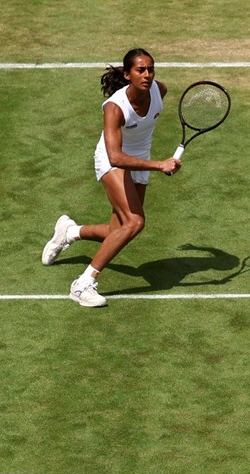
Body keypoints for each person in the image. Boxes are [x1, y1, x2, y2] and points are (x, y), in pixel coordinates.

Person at [41, 48, 182, 307]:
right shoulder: (115, 108)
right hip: (111, 158)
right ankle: (83, 284)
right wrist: (159, 164)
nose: (148, 75)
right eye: (141, 70)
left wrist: (154, 164)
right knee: (135, 222)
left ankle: (71, 232)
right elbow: (115, 157)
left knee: (119, 230)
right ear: (127, 75)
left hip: (139, 158)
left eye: (151, 69)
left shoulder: (159, 90)